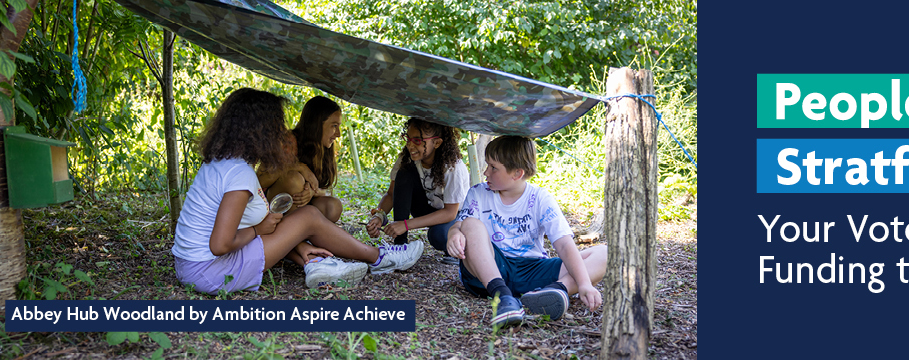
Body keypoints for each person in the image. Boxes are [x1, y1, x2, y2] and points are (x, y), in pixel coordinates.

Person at [172, 88, 423, 294]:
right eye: (276, 127)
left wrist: (299, 247)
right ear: (261, 132)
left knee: (305, 220)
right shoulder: (239, 175)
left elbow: (236, 226)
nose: (282, 133)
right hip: (210, 271)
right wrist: (259, 230)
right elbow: (221, 243)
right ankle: (380, 258)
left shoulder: (220, 162)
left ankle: (315, 262)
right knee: (308, 218)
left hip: (191, 265)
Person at [447, 136, 607, 327]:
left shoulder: (540, 198)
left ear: (517, 173)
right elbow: (460, 224)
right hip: (489, 270)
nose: (486, 172)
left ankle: (554, 291)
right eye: (487, 165)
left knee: (605, 254)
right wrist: (454, 233)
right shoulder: (478, 193)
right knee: (470, 224)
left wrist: (584, 284)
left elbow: (564, 244)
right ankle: (504, 297)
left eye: (493, 167)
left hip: (531, 270)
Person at [366, 118, 468, 265]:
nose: (410, 145)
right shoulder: (407, 158)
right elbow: (391, 194)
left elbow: (450, 212)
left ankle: (455, 247)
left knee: (438, 235)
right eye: (407, 138)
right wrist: (380, 216)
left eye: (417, 140)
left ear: (437, 143)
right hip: (426, 207)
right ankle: (400, 244)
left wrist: (406, 224)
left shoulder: (453, 167)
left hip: (453, 216)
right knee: (404, 171)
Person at [258, 96, 345, 222]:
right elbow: (259, 182)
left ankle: (300, 234)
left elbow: (324, 190)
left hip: (301, 208)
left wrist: (311, 191)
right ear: (317, 124)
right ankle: (288, 236)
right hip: (271, 206)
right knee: (295, 180)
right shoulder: (287, 141)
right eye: (334, 126)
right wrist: (298, 167)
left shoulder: (325, 148)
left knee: (333, 206)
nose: (338, 133)